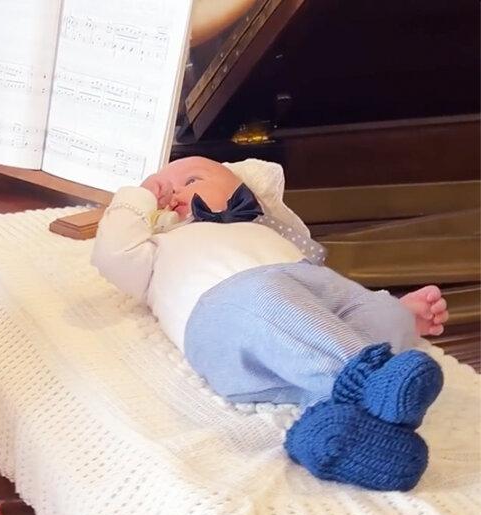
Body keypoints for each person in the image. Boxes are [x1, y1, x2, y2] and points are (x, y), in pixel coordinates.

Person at [91, 156, 450, 492]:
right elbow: (112, 254)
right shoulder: (159, 247)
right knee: (268, 301)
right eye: (161, 190)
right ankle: (370, 378)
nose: (171, 193)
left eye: (190, 180)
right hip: (225, 310)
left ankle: (335, 434)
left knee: (367, 310)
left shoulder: (268, 227)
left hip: (307, 291)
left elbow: (265, 179)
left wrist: (393, 314)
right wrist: (139, 197)